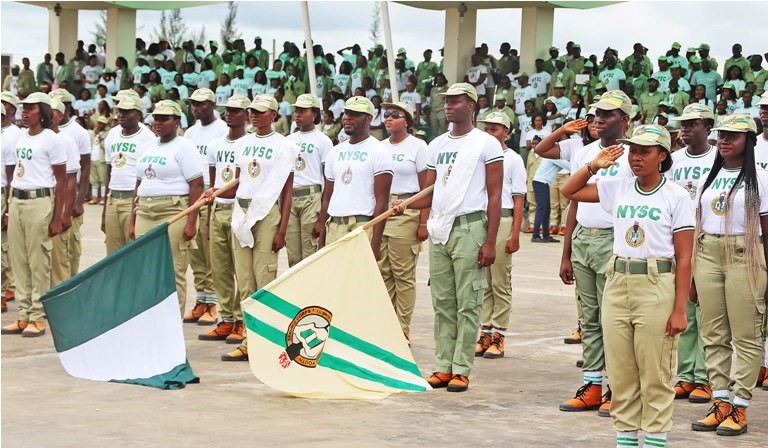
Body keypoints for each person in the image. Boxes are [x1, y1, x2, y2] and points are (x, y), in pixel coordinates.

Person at [561, 124, 693, 448]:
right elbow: (569, 191)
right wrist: (593, 165)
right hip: (618, 281)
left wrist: (679, 310)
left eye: (645, 151)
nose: (636, 157)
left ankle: (655, 440)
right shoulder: (618, 187)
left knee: (655, 372)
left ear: (662, 156)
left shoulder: (676, 196)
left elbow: (685, 258)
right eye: (633, 150)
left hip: (656, 283)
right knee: (621, 372)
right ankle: (626, 440)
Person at [392, 83, 503, 392]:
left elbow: (495, 195)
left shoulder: (486, 144)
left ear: (471, 106)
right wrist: (405, 205)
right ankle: (443, 366)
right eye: (447, 101)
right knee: (443, 302)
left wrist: (490, 241)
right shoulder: (437, 144)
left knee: (468, 302)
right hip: (441, 228)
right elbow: (429, 192)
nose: (448, 106)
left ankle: (461, 368)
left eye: (455, 101)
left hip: (470, 227)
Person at [690, 114, 768, 436]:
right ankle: (720, 400)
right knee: (713, 334)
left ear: (749, 141)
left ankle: (740, 405)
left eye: (733, 136)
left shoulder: (760, 180)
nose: (724, 141)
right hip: (707, 253)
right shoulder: (710, 178)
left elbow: (767, 231)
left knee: (746, 336)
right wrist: (692, 277)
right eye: (722, 135)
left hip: (744, 255)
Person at [558, 91, 634, 417]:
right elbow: (574, 202)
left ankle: (617, 387)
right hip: (583, 240)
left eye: (608, 114)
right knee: (588, 319)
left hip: (614, 240)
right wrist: (566, 252)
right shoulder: (585, 153)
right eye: (597, 114)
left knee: (613, 319)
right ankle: (591, 385)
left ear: (625, 120)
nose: (599, 119)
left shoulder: (634, 155)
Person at [219, 94, 296, 362]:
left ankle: (266, 341)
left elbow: (287, 190)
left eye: (260, 111)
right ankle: (249, 341)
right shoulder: (243, 144)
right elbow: (240, 181)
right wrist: (215, 192)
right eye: (252, 110)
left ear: (273, 115)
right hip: (242, 212)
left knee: (264, 279)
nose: (253, 115)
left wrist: (282, 229)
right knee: (245, 280)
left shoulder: (284, 145)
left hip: (266, 213)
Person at [129, 100, 204, 314]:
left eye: (164, 119)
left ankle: (173, 321)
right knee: (146, 270)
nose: (158, 123)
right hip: (145, 211)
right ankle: (153, 319)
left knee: (172, 271)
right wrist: (132, 220)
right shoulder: (148, 146)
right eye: (156, 118)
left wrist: (191, 222)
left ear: (177, 122)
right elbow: (139, 183)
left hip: (174, 211)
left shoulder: (184, 146)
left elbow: (197, 185)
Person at [1, 93, 67, 337]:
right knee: (18, 261)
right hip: (17, 199)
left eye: (31, 108)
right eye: (24, 108)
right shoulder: (21, 137)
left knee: (38, 261)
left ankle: (37, 316)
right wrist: (9, 206)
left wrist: (57, 217)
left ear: (43, 112)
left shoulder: (52, 140)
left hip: (39, 201)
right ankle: (23, 314)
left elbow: (61, 180)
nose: (25, 112)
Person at [665, 103, 718, 404]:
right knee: (684, 306)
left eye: (692, 123)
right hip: (680, 238)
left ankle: (705, 377)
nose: (685, 128)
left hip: (708, 237)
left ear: (708, 128)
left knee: (706, 311)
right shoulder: (673, 160)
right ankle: (686, 375)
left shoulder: (719, 158)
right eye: (683, 124)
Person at [197, 95, 250, 346]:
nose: (230, 114)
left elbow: (245, 183)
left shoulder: (249, 144)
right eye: (228, 110)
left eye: (236, 111)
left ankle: (240, 320)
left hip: (240, 210)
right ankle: (226, 317)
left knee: (241, 269)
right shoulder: (215, 145)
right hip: (218, 209)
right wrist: (209, 219)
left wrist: (218, 193)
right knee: (220, 269)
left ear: (247, 115)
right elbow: (213, 182)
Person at [474, 111, 525, 358]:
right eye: (486, 128)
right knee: (483, 280)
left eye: (494, 129)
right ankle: (485, 331)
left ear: (506, 132)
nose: (489, 133)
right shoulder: (479, 156)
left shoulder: (513, 159)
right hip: (481, 218)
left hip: (503, 218)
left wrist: (515, 234)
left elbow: (519, 198)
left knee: (500, 281)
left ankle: (499, 335)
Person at [378, 101, 429, 342]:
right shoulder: (379, 147)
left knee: (402, 273)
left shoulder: (418, 147)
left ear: (407, 121)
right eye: (386, 114)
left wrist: (423, 222)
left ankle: (402, 329)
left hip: (407, 208)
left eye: (394, 115)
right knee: (383, 271)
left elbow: (426, 188)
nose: (388, 118)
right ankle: (387, 326)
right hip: (383, 210)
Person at [316, 96, 393, 254]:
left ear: (369, 118)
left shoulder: (379, 151)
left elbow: (382, 201)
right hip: (334, 225)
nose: (347, 118)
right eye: (346, 113)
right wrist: (322, 237)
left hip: (361, 225)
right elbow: (327, 197)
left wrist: (376, 242)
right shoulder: (335, 152)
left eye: (355, 114)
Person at [183, 88, 228, 325]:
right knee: (195, 251)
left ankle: (213, 303)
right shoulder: (190, 133)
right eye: (193, 104)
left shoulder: (222, 129)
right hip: (194, 192)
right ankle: (201, 299)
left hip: (213, 192)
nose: (196, 108)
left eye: (201, 104)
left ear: (213, 104)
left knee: (211, 251)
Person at [102, 95, 155, 255]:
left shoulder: (148, 138)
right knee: (113, 254)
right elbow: (109, 171)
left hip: (133, 199)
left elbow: (149, 174)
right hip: (113, 199)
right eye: (119, 111)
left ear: (138, 114)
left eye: (126, 112)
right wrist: (105, 208)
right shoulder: (112, 134)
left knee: (133, 252)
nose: (121, 115)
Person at [285, 94, 332, 267]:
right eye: (296, 111)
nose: (297, 114)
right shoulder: (288, 140)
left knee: (310, 252)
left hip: (312, 197)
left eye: (303, 111)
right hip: (290, 197)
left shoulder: (323, 141)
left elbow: (329, 179)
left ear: (314, 114)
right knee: (293, 254)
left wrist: (322, 217)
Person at [51, 89, 90, 278]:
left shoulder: (78, 132)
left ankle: (72, 281)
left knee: (70, 247)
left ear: (66, 107)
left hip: (70, 195)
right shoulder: (46, 131)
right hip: (54, 194)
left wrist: (78, 201)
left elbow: (86, 168)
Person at [48, 97, 80, 287]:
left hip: (58, 201)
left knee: (59, 257)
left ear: (60, 116)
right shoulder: (36, 137)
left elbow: (70, 180)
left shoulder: (66, 141)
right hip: (41, 201)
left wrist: (66, 213)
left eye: (50, 112)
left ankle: (60, 293)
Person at [1, 93, 22, 311]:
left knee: (4, 244)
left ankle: (7, 287)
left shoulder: (16, 134)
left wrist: (8, 206)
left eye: (5, 104)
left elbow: (12, 173)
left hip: (4, 191)